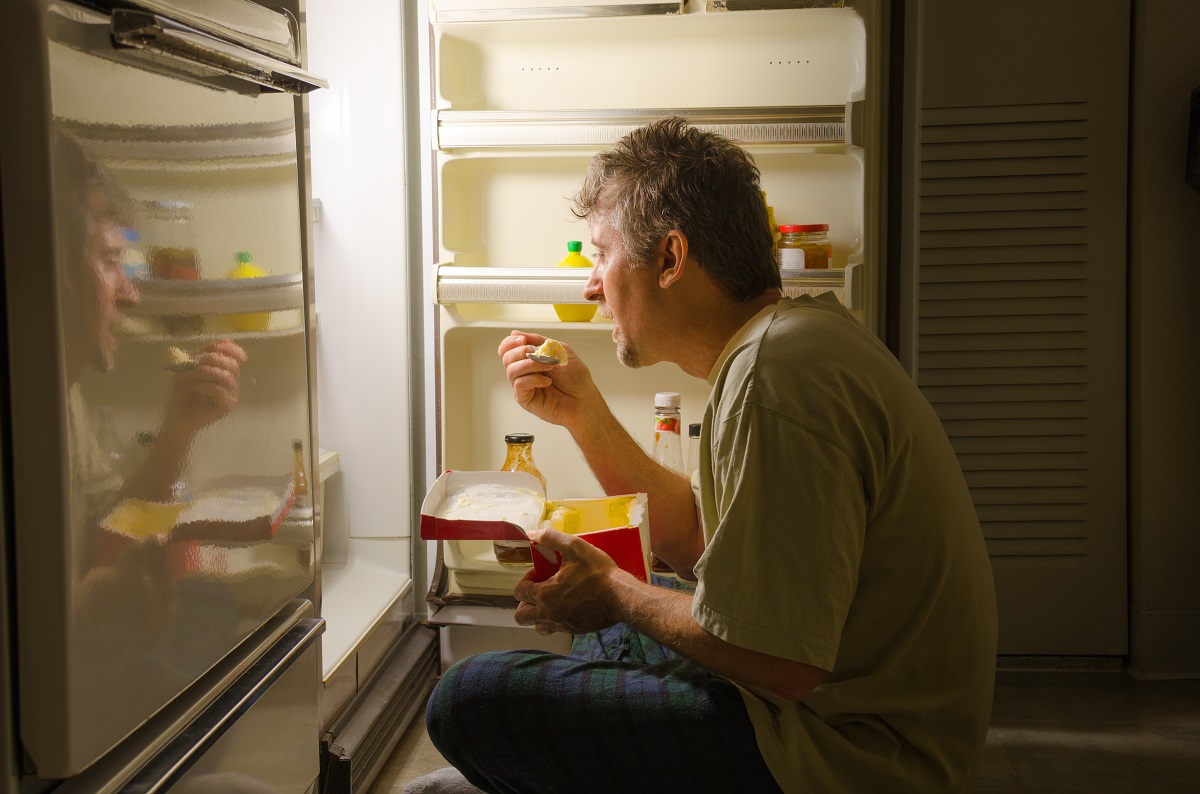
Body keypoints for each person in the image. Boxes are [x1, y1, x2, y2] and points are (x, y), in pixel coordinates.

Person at [416, 117, 998, 793]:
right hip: (826, 708)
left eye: (601, 255)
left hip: (847, 756)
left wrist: (613, 591)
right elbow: (695, 538)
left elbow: (779, 661)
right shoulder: (786, 343)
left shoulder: (775, 373)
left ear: (670, 258)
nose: (591, 285)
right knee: (622, 622)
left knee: (468, 698)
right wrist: (582, 412)